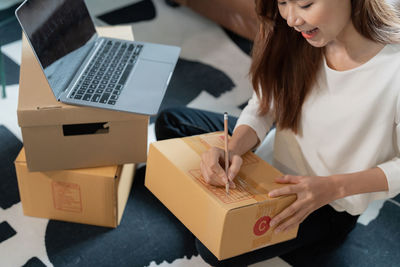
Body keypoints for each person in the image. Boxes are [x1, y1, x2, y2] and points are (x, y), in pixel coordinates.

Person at [155, 0, 400, 265]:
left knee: (211, 250)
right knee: (172, 122)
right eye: (283, 2)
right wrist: (236, 147)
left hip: (326, 203)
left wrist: (332, 187)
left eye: (305, 4)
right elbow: (265, 104)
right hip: (271, 162)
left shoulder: (393, 69)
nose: (292, 18)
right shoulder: (299, 35)